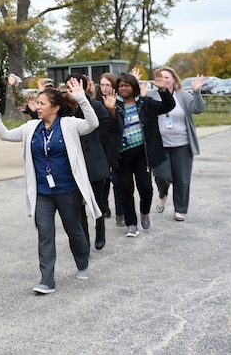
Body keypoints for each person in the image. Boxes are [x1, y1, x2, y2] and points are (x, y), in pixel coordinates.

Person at [0, 79, 100, 294]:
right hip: (42, 192)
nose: (37, 107)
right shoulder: (31, 128)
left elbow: (92, 124)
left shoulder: (69, 124)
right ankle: (47, 280)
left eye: (42, 104)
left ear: (55, 108)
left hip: (67, 190)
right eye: (37, 103)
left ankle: (82, 262)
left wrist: (82, 98)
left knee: (74, 230)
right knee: (45, 234)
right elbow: (6, 135)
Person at [113, 69, 175, 238]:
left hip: (142, 154)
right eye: (121, 86)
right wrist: (109, 110)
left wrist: (163, 90)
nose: (124, 89)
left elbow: (168, 106)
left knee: (146, 188)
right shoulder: (113, 106)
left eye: (127, 86)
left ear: (134, 87)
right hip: (122, 156)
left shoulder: (145, 103)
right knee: (126, 190)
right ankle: (131, 224)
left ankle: (144, 212)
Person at [66, 74, 118, 250]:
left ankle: (101, 230)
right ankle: (84, 241)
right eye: (69, 86)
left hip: (95, 160)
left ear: (85, 86)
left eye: (76, 85)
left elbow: (108, 130)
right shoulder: (64, 109)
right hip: (74, 164)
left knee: (98, 202)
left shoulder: (96, 106)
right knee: (78, 207)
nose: (72, 90)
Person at [148, 67, 207, 222]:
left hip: (182, 144)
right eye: (162, 77)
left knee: (182, 179)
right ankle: (162, 193)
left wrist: (196, 92)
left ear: (174, 79)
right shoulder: (151, 95)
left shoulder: (183, 95)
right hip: (160, 146)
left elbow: (198, 109)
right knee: (162, 176)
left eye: (168, 77)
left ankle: (180, 209)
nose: (165, 80)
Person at [98, 73, 124, 226]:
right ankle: (103, 204)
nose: (105, 88)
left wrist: (112, 109)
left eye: (108, 85)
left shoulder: (120, 102)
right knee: (104, 181)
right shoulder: (95, 103)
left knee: (118, 181)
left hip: (116, 146)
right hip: (100, 146)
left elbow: (118, 127)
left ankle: (120, 213)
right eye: (102, 85)